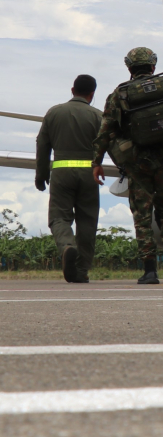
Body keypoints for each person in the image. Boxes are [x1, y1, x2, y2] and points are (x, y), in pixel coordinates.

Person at [91, 48, 163, 284]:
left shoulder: (120, 94)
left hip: (138, 163)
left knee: (142, 216)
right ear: (153, 66)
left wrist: (97, 162)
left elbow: (105, 130)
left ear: (129, 68)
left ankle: (150, 270)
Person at [36, 74, 103, 283]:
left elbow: (42, 144)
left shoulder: (54, 113)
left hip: (61, 174)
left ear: (72, 90)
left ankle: (67, 246)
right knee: (87, 222)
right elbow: (109, 144)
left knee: (58, 218)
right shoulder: (98, 116)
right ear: (92, 95)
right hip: (89, 174)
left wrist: (41, 174)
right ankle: (81, 270)